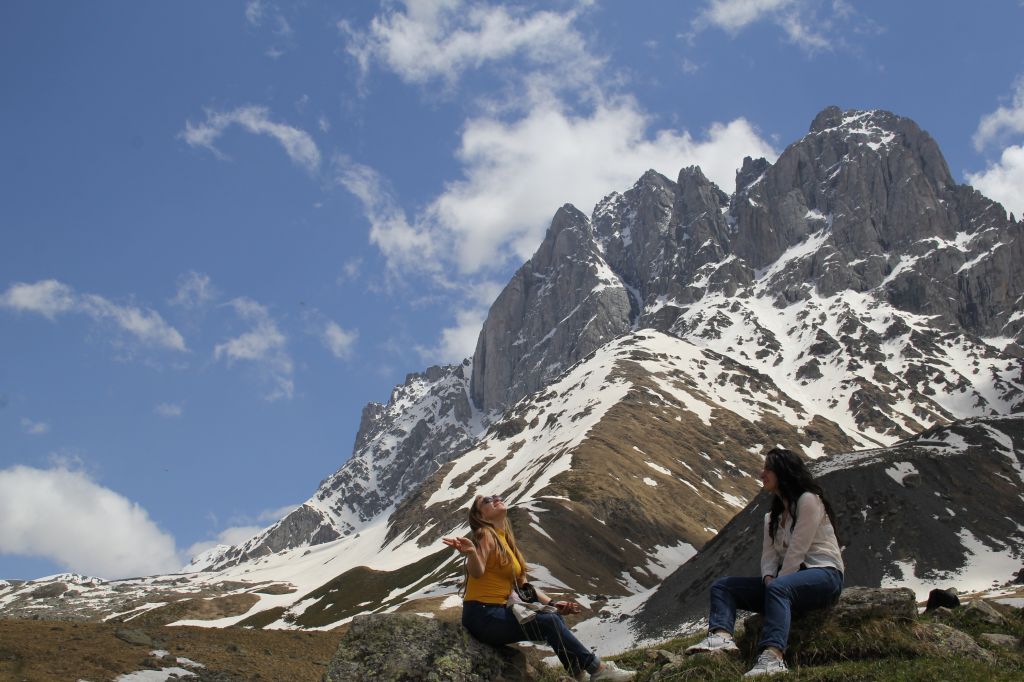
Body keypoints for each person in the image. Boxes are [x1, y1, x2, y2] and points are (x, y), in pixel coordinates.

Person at [685, 448, 844, 677]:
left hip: (825, 576)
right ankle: (721, 637)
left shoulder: (808, 501)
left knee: (779, 588)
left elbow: (797, 551)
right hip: (787, 584)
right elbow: (769, 557)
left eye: (768, 469)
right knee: (723, 586)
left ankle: (773, 657)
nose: (762, 474)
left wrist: (776, 586)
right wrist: (769, 579)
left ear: (784, 471)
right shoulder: (772, 517)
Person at [442, 494, 635, 681]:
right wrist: (471, 554)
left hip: (495, 612)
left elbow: (524, 588)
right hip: (482, 615)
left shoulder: (506, 541)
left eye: (495, 496)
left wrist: (553, 603)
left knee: (553, 616)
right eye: (486, 500)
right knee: (548, 621)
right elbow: (477, 571)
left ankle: (578, 674)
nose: (495, 499)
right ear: (480, 516)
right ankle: (598, 669)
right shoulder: (485, 534)